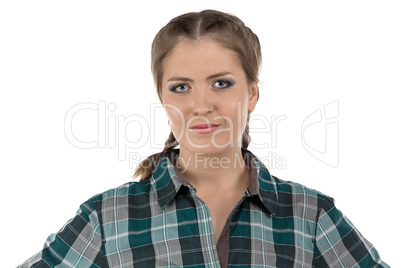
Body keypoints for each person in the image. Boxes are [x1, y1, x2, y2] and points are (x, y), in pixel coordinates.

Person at [19, 9, 389, 268]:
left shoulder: (309, 216)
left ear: (253, 94)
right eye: (181, 87)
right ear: (163, 99)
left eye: (221, 83)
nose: (200, 104)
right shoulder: (108, 218)